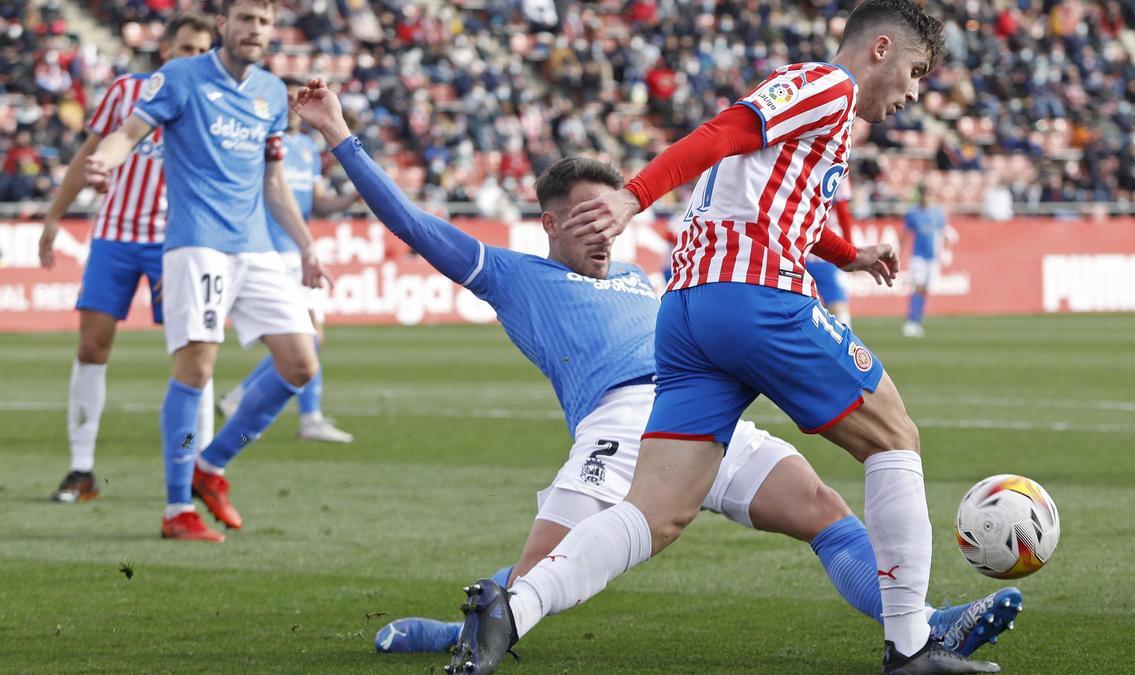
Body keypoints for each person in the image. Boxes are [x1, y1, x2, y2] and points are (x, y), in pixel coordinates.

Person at [286, 84, 1021, 666]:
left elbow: (755, 214)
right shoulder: (512, 276)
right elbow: (412, 224)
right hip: (617, 426)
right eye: (585, 221)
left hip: (701, 405)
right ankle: (452, 631)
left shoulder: (645, 276)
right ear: (547, 224)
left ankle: (923, 624)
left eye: (608, 220)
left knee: (823, 510)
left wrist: (841, 253)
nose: (603, 234)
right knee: (531, 584)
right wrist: (338, 132)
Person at [443, 2, 1003, 673]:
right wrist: (635, 194)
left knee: (655, 509)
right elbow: (728, 130)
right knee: (895, 435)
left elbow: (770, 200)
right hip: (755, 298)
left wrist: (846, 252)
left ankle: (516, 606)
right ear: (880, 48)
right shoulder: (829, 87)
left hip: (686, 316)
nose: (913, 93)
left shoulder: (825, 120)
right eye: (914, 72)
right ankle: (911, 642)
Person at [84, 0, 329, 543]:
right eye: (245, 18)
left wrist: (307, 246)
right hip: (198, 243)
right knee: (196, 368)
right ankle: (177, 509)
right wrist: (105, 160)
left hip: (257, 245)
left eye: (263, 22)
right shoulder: (181, 77)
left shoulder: (270, 92)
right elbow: (128, 132)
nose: (254, 30)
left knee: (300, 362)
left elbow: (275, 183)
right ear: (224, 25)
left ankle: (211, 467)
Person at [38, 12, 215, 503]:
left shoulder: (215, 104)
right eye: (185, 50)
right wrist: (55, 216)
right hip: (114, 237)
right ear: (166, 52)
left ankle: (197, 470)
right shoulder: (126, 92)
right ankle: (81, 471)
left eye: (203, 52)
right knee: (91, 348)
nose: (194, 61)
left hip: (177, 242)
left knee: (193, 357)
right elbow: (89, 154)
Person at [217, 76, 357, 444]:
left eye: (300, 97)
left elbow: (318, 202)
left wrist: (353, 198)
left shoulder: (307, 149)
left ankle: (244, 397)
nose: (295, 104)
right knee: (308, 334)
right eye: (288, 98)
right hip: (269, 249)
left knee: (312, 338)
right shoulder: (258, 141)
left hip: (297, 250)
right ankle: (305, 417)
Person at [807, 177, 856, 326]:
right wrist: (851, 250)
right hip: (822, 249)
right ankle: (845, 344)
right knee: (836, 299)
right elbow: (843, 212)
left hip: (795, 244)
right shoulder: (837, 167)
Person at [903, 183, 946, 338]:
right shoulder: (913, 213)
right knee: (918, 287)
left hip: (932, 257)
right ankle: (911, 321)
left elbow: (943, 233)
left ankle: (917, 320)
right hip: (918, 256)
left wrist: (944, 252)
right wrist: (900, 253)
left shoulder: (938, 213)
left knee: (925, 289)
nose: (927, 198)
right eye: (925, 194)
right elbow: (905, 234)